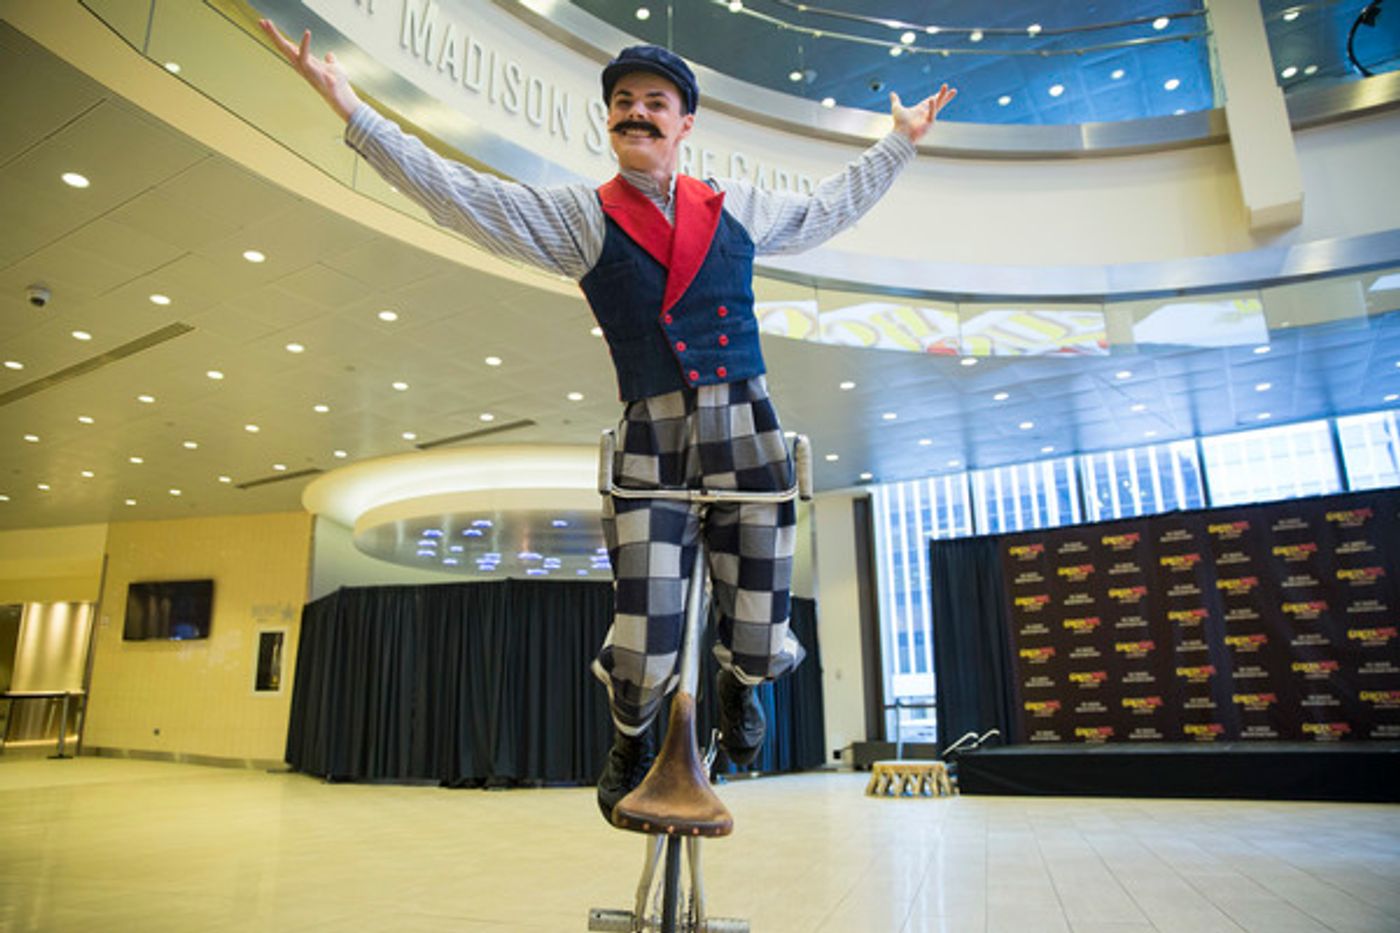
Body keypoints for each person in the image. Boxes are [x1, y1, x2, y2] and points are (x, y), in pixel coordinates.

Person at [259, 18, 956, 822]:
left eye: (655, 102)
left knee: (761, 630)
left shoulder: (737, 206)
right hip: (651, 440)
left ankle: (740, 683)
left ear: (685, 123)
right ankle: (631, 734)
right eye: (623, 101)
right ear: (610, 120)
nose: (636, 112)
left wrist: (898, 144)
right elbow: (462, 196)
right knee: (642, 640)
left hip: (747, 425)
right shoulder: (582, 217)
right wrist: (354, 111)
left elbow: (826, 209)